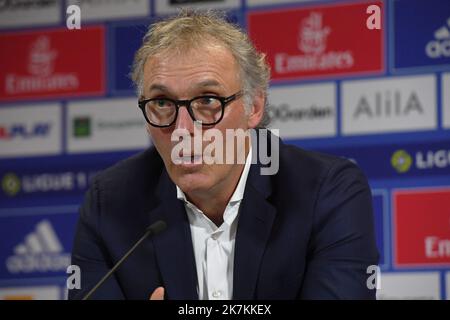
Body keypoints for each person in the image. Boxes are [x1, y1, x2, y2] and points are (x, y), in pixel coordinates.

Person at [68, 10, 379, 300]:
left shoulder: (326, 191)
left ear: (254, 107)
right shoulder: (109, 204)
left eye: (207, 100)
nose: (183, 130)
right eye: (162, 103)